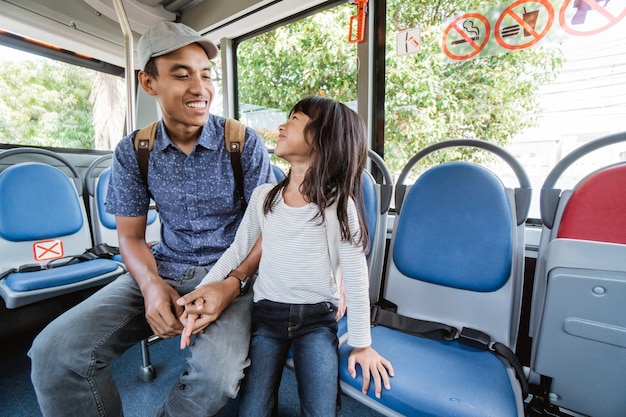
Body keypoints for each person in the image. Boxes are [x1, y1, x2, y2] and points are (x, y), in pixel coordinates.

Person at [28, 21, 275, 417]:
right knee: (54, 352)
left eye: (206, 75)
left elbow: (268, 228)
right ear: (148, 82)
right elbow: (130, 237)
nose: (200, 88)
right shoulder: (133, 151)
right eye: (181, 75)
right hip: (164, 268)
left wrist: (232, 284)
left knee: (216, 378)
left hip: (233, 274)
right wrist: (150, 286)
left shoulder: (242, 143)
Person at [178, 96, 394, 417]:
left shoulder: (339, 205)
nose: (281, 125)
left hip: (316, 322)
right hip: (266, 317)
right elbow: (237, 251)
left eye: (294, 119)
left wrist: (362, 344)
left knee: (321, 411)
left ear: (324, 138)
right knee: (252, 411)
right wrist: (202, 292)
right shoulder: (264, 196)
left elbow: (356, 275)